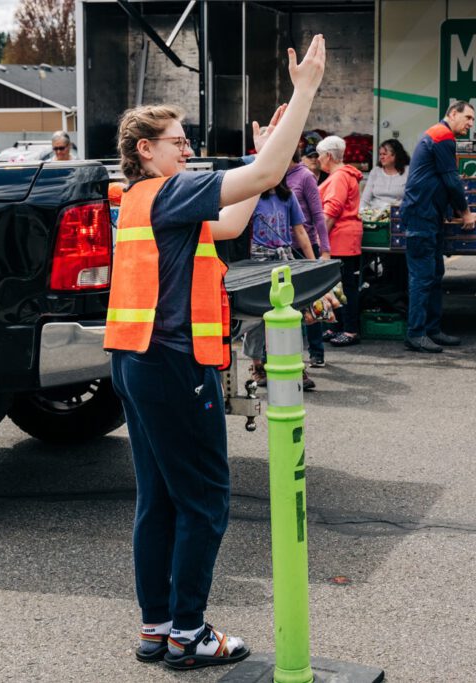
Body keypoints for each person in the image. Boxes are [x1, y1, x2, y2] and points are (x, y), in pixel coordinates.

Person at [104, 34, 325, 671]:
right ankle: (190, 634)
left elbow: (230, 222)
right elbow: (265, 177)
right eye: (178, 141)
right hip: (174, 363)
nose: (189, 149)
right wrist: (303, 90)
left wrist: (263, 153)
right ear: (146, 151)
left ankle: (158, 628)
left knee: (161, 501)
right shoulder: (169, 192)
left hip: (137, 359)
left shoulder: (143, 200)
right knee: (203, 501)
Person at [399, 100, 476, 353]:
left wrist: (457, 211)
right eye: (467, 118)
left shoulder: (438, 136)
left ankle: (432, 330)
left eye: (472, 120)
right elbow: (452, 181)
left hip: (429, 217)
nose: (470, 124)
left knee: (434, 275)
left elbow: (443, 181)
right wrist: (465, 213)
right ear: (452, 113)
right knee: (423, 278)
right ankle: (415, 334)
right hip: (420, 217)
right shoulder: (442, 136)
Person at [243, 178, 316, 389]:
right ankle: (257, 365)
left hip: (284, 259)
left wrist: (313, 264)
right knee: (257, 316)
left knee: (291, 314)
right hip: (257, 261)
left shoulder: (288, 196)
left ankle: (296, 364)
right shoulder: (252, 196)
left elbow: (300, 231)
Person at [317, 135, 364, 346]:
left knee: (345, 287)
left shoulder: (338, 177)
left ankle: (350, 330)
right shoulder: (344, 175)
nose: (318, 159)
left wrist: (320, 243)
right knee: (339, 287)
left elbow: (331, 211)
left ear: (328, 155)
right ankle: (336, 326)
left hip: (340, 240)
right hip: (345, 238)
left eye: (319, 155)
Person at [285, 147, 331, 367]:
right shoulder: (276, 176)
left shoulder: (305, 177)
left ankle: (316, 351)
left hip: (306, 246)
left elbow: (318, 216)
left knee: (310, 300)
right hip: (282, 247)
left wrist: (325, 250)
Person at [360, 138, 409, 211]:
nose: (381, 157)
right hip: (375, 215)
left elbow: (413, 198)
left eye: (384, 154)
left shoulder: (408, 171)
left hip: (399, 215)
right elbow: (365, 199)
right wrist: (360, 214)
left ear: (395, 155)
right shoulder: (375, 171)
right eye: (380, 154)